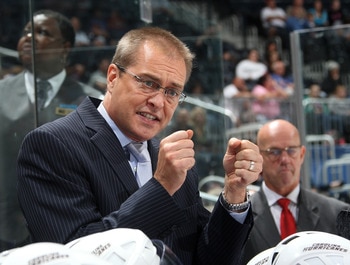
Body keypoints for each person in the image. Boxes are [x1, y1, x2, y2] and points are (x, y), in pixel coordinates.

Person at [17, 27, 263, 265]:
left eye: (172, 92)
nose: (158, 101)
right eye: (148, 83)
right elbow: (79, 255)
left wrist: (233, 192)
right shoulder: (51, 144)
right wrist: (162, 186)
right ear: (113, 77)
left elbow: (209, 259)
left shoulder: (174, 161)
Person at [0, 9, 103, 252]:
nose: (29, 38)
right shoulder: (1, 91)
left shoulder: (88, 101)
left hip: (64, 228)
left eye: (42, 32)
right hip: (4, 227)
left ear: (65, 47)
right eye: (26, 32)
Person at [241, 119, 349, 264]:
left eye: (291, 150)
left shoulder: (337, 213)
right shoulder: (239, 220)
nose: (284, 159)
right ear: (260, 157)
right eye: (274, 152)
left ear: (302, 154)